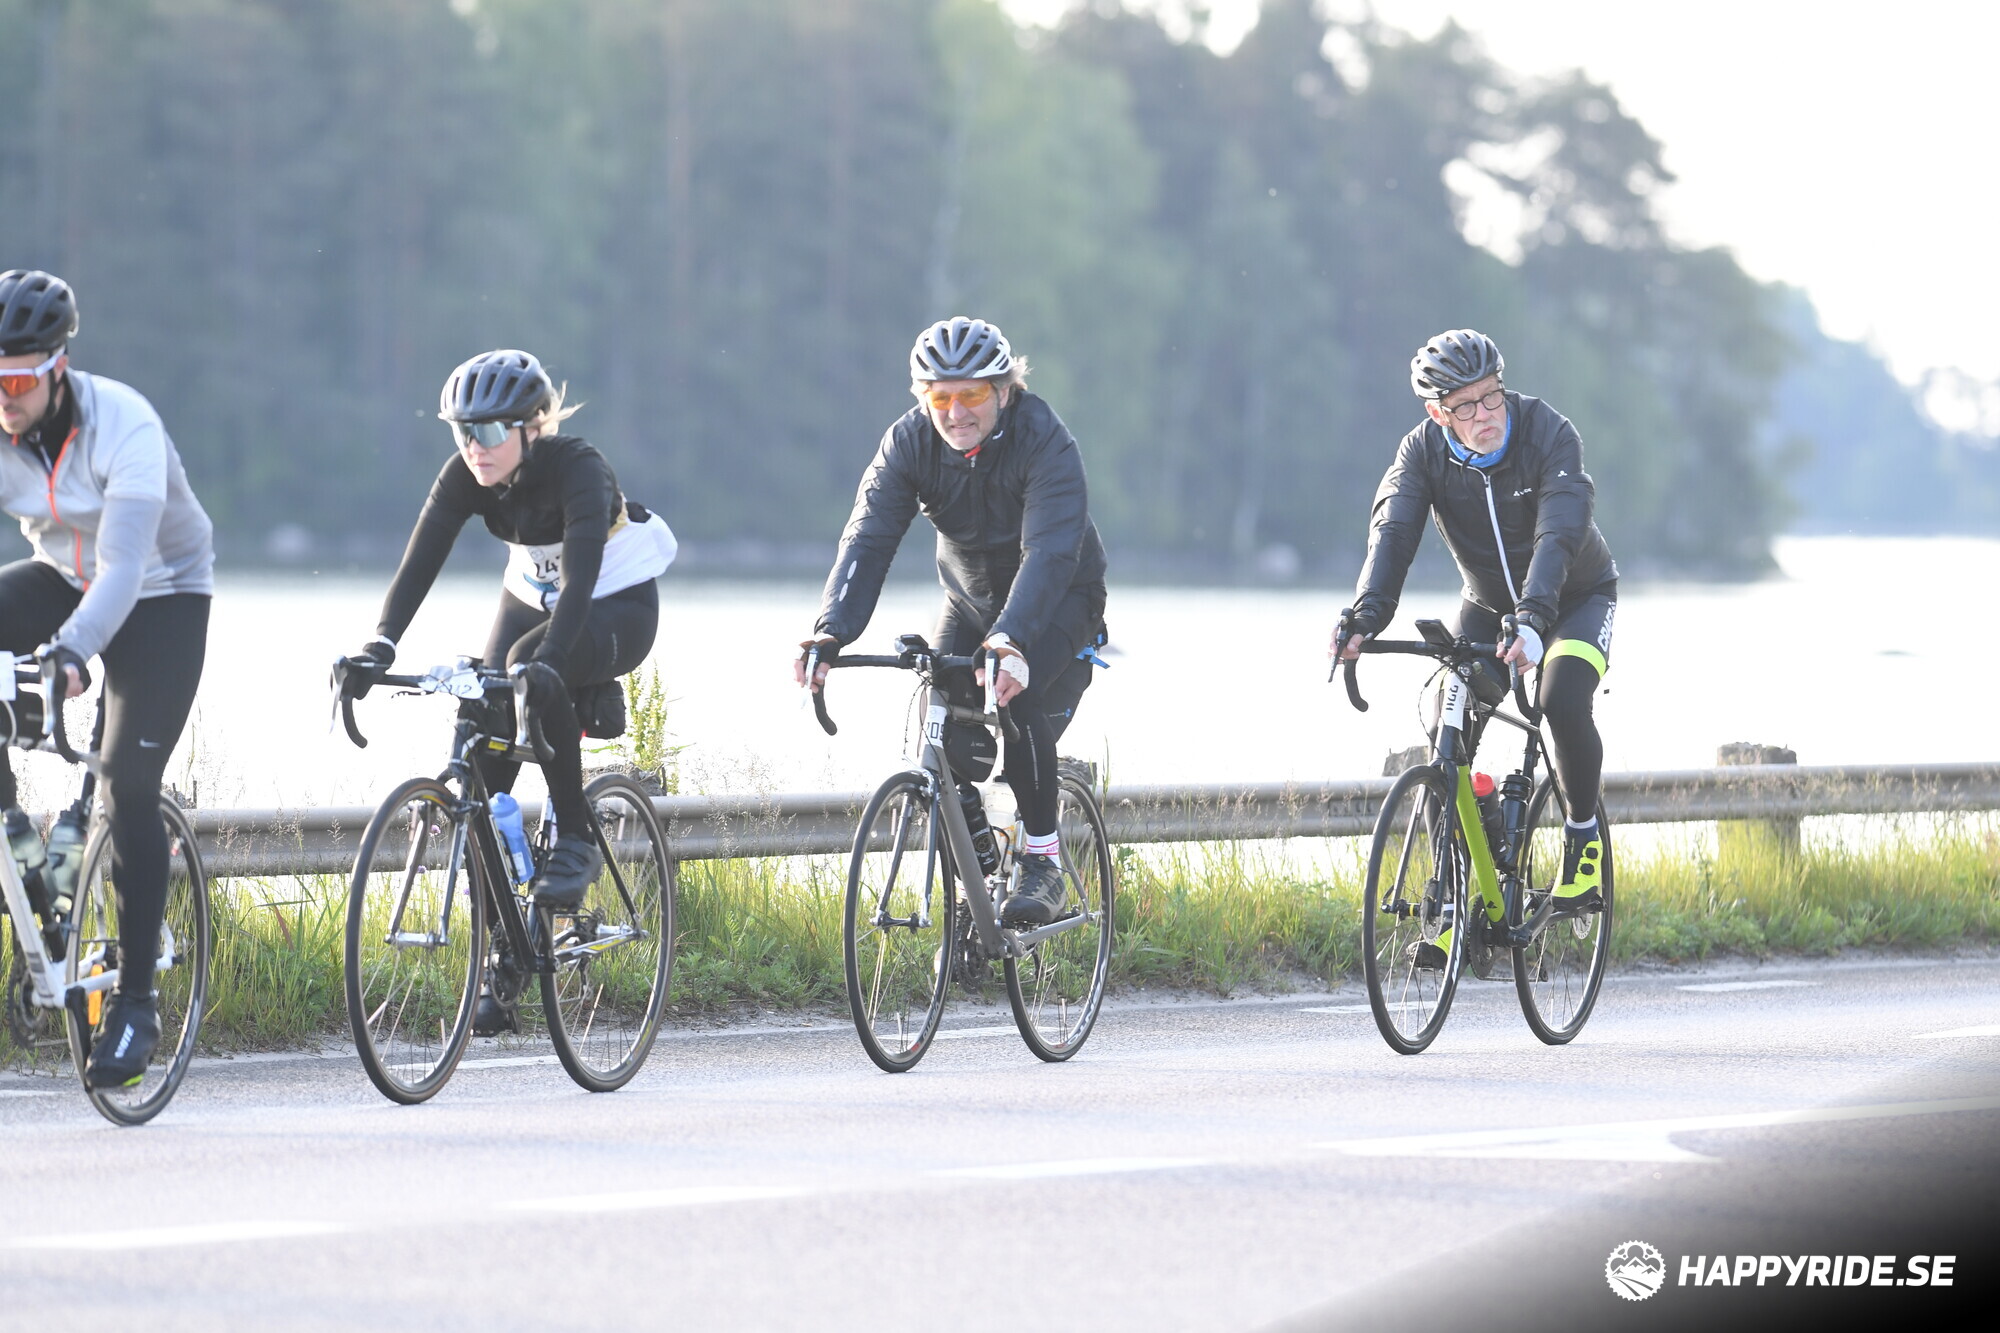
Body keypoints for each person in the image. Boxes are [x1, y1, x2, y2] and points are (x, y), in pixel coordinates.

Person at [342, 348, 675, 1033]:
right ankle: (506, 954)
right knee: (481, 728)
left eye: (490, 431)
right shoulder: (465, 474)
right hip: (530, 591)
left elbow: (579, 582)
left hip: (614, 597)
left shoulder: (578, 468)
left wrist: (548, 664)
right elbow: (420, 561)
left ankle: (575, 836)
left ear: (532, 426)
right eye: (462, 431)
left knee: (528, 665)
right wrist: (379, 646)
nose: (474, 445)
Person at [797, 317, 1108, 926]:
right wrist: (832, 629)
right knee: (938, 704)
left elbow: (1049, 552)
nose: (956, 412)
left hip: (1060, 597)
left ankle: (1044, 860)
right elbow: (868, 537)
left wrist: (1012, 640)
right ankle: (976, 859)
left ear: (1005, 390)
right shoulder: (909, 443)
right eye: (940, 398)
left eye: (972, 395)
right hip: (969, 600)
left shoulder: (1044, 439)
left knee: (1016, 692)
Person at [0, 268, 214, 1087]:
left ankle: (136, 1001)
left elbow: (123, 568)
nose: (5, 398)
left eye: (19, 381)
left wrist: (68, 653)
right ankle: (25, 846)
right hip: (60, 574)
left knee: (127, 782)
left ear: (59, 369)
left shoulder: (126, 426)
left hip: (161, 592)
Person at [1334, 328, 1616, 927]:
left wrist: (1535, 618)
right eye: (1465, 406)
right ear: (1438, 414)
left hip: (1575, 598)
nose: (1485, 413)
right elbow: (1393, 533)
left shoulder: (1548, 432)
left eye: (1491, 396)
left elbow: (1558, 533)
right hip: (1487, 607)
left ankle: (1582, 839)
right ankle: (1463, 883)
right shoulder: (1421, 454)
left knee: (1561, 699)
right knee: (1449, 726)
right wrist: (1365, 616)